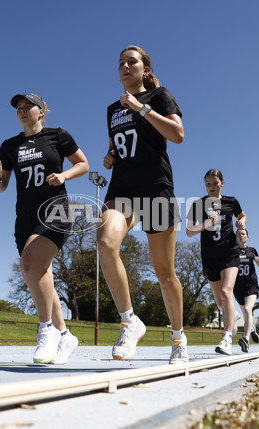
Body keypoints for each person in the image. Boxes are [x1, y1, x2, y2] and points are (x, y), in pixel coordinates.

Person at [99, 45, 187, 364]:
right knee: (106, 242)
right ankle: (129, 321)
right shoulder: (112, 109)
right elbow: (116, 146)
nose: (124, 66)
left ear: (145, 69)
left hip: (156, 187)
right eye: (120, 62)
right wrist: (110, 156)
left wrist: (141, 108)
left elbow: (177, 135)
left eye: (131, 62)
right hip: (122, 187)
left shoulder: (160, 96)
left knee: (164, 272)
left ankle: (178, 339)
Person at [0, 93, 89, 364]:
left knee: (30, 265)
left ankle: (47, 330)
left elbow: (83, 164)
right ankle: (65, 335)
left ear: (41, 112)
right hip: (25, 218)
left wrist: (64, 175)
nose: (22, 111)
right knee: (41, 276)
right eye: (18, 108)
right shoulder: (9, 146)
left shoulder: (58, 136)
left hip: (55, 210)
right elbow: (1, 187)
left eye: (27, 107)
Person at [186, 169, 246, 356]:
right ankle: (232, 315)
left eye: (215, 183)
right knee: (221, 303)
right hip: (209, 256)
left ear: (222, 183)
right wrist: (205, 224)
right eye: (208, 184)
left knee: (226, 291)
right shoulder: (198, 204)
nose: (211, 187)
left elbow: (242, 215)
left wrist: (241, 223)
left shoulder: (231, 201)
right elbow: (189, 231)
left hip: (229, 252)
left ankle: (227, 338)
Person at [235, 228, 259, 353]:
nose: (241, 236)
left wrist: (258, 262)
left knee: (247, 309)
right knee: (245, 314)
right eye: (239, 234)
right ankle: (251, 329)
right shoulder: (233, 251)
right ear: (236, 237)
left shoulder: (252, 251)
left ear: (247, 236)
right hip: (238, 287)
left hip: (251, 285)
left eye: (243, 234)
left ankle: (246, 340)